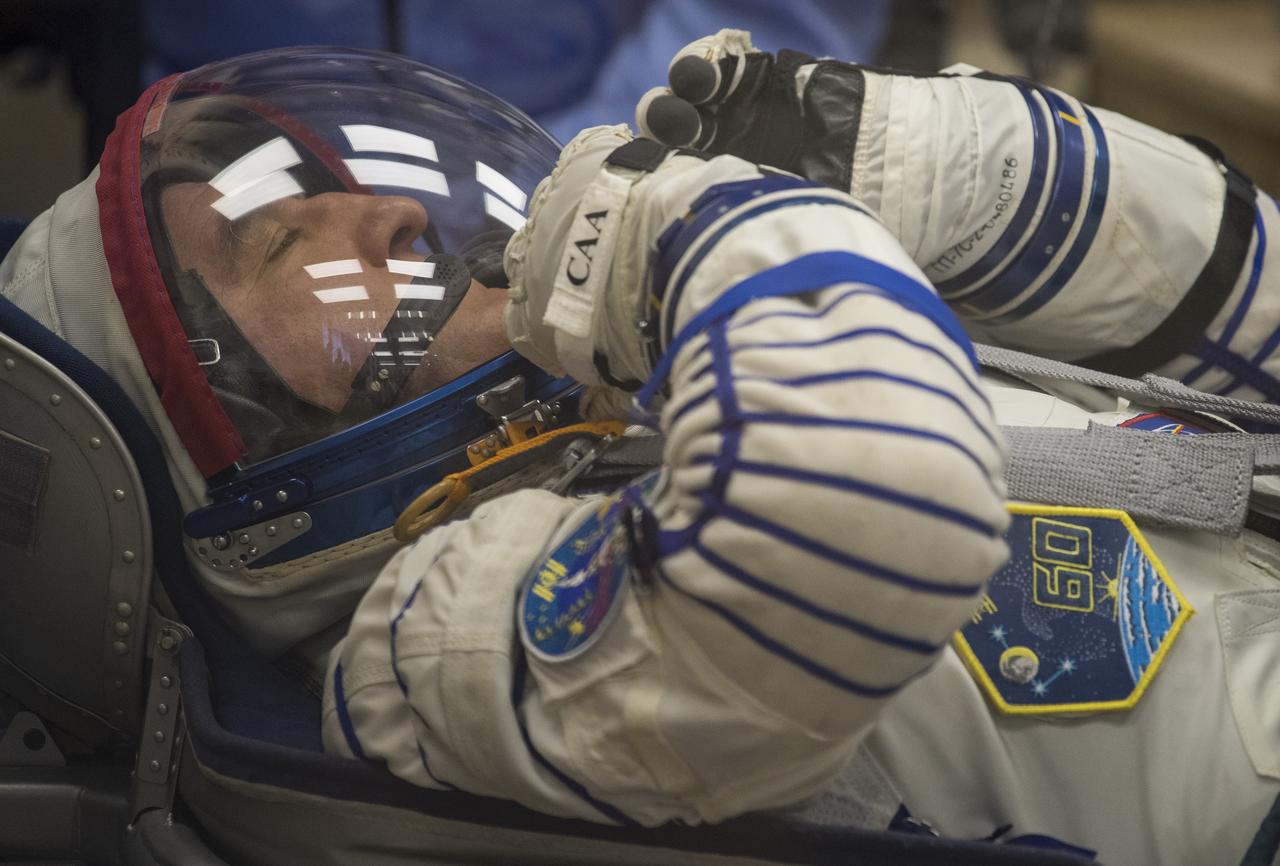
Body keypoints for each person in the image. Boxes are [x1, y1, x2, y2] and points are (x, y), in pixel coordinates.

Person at [0, 39, 1276, 866]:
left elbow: (1248, 299)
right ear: (220, 475)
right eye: (283, 248)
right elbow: (866, 513)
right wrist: (702, 231)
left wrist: (908, 162)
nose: (386, 209)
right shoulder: (420, 660)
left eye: (332, 189)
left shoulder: (663, 369)